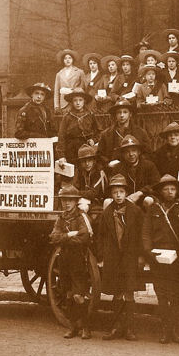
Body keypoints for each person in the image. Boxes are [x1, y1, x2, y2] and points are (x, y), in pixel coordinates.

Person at [95, 174, 144, 341]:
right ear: (111, 194)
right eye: (115, 192)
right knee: (116, 293)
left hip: (130, 258)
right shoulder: (107, 213)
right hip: (113, 258)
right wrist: (101, 257)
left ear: (126, 193)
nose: (118, 195)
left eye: (121, 192)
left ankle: (129, 328)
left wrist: (140, 256)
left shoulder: (135, 212)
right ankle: (116, 327)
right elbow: (100, 236)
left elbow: (141, 236)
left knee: (129, 293)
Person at [142, 174, 179, 344]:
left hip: (177, 259)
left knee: (176, 295)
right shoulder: (154, 209)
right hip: (158, 258)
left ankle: (174, 329)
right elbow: (146, 232)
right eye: (166, 189)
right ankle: (165, 329)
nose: (169, 192)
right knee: (162, 295)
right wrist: (148, 251)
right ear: (160, 192)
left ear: (177, 191)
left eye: (173, 189)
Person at [49, 184, 95, 340]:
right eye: (64, 200)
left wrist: (65, 238)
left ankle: (86, 327)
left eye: (70, 200)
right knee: (67, 294)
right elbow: (54, 237)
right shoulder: (61, 218)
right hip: (64, 259)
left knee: (78, 295)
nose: (67, 203)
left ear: (76, 202)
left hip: (78, 259)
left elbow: (85, 237)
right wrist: (69, 236)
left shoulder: (81, 217)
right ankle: (73, 327)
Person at [96, 98, 152, 167]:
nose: (122, 115)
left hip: (135, 169)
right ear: (115, 115)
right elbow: (100, 155)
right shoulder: (106, 134)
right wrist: (108, 163)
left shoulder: (140, 132)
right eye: (119, 112)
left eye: (125, 112)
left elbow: (148, 153)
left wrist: (137, 162)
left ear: (130, 114)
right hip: (114, 170)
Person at [114, 135, 160, 206]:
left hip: (144, 198)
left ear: (139, 152)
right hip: (124, 199)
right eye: (127, 152)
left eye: (134, 150)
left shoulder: (149, 165)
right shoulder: (118, 168)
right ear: (122, 154)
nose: (131, 154)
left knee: (148, 200)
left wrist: (140, 193)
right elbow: (114, 187)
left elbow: (155, 184)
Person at [57, 88, 100, 165]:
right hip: (71, 150)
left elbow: (99, 132)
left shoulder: (90, 115)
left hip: (87, 148)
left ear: (84, 101)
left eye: (80, 100)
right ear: (71, 102)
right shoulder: (67, 117)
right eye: (75, 100)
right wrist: (61, 156)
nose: (78, 103)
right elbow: (61, 136)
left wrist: (94, 140)